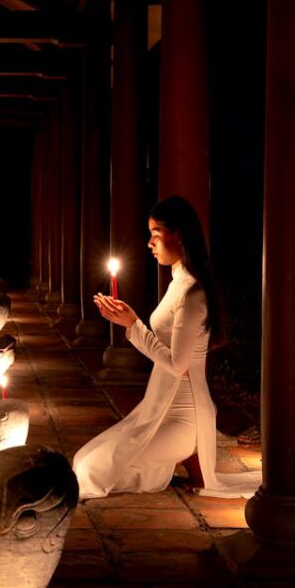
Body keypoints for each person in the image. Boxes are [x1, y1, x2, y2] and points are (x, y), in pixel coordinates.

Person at [73, 196, 257, 500]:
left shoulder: (194, 292)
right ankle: (181, 459)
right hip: (160, 410)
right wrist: (129, 322)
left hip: (186, 420)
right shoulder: (178, 282)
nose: (149, 243)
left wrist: (133, 326)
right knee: (85, 459)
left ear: (179, 235)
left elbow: (176, 363)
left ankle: (190, 452)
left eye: (156, 234)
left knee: (93, 470)